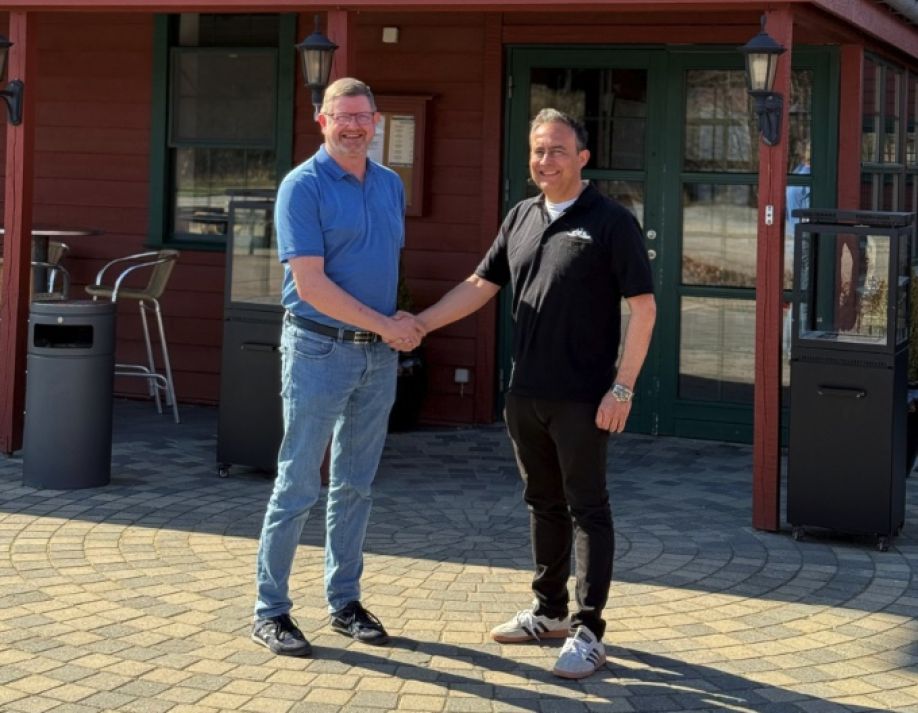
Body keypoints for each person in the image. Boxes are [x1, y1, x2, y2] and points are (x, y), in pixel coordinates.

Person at [414, 108, 656, 679]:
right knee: (542, 502)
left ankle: (588, 631)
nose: (545, 161)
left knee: (587, 508)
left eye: (557, 151)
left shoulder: (611, 222)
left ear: (582, 158)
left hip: (583, 396)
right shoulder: (521, 215)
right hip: (525, 393)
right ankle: (549, 613)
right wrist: (420, 323)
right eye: (538, 151)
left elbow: (644, 310)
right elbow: (481, 285)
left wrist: (622, 389)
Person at [251, 77, 424, 657]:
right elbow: (312, 285)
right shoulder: (301, 187)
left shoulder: (390, 184)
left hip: (377, 355)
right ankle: (270, 611)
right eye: (341, 116)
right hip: (318, 350)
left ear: (376, 122)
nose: (353, 126)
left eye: (362, 116)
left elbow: (380, 266)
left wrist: (394, 323)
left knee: (355, 485)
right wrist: (387, 326)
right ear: (321, 121)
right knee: (298, 482)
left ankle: (344, 603)